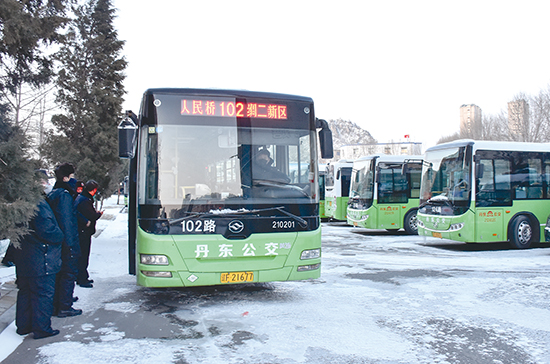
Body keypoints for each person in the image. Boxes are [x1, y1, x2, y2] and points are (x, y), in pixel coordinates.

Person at [14, 174, 64, 339]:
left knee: (25, 292)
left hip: (24, 258)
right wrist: (60, 235)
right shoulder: (39, 205)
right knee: (42, 294)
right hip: (42, 258)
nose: (47, 185)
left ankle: (23, 326)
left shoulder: (20, 203)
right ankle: (42, 328)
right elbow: (47, 231)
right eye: (44, 182)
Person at [47, 163, 82, 317]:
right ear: (66, 177)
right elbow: (67, 222)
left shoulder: (55, 193)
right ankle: (64, 306)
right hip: (68, 243)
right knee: (68, 274)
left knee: (60, 274)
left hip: (59, 243)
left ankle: (59, 303)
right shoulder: (65, 196)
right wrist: (71, 245)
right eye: (73, 177)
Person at [74, 180, 103, 288]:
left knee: (82, 255)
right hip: (83, 232)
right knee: (83, 255)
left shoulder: (81, 198)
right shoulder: (85, 201)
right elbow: (91, 215)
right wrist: (98, 214)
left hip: (82, 231)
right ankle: (82, 278)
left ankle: (81, 276)